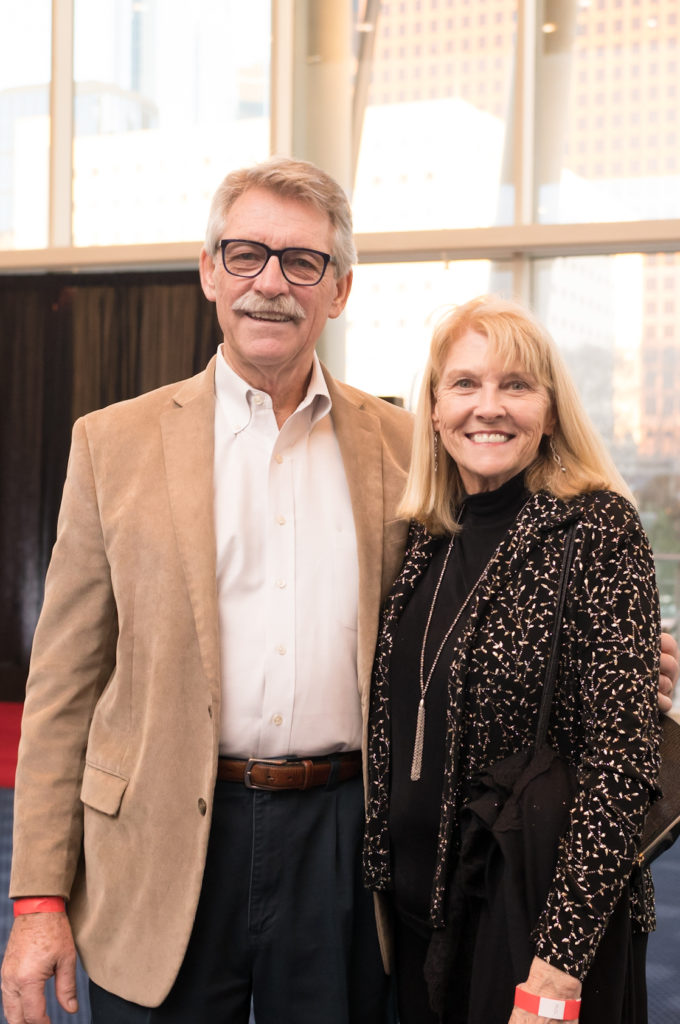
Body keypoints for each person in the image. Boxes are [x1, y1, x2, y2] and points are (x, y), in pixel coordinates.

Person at [0, 166, 677, 1024]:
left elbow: (507, 562)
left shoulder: (405, 445)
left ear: (341, 288)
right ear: (209, 270)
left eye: (302, 262)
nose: (271, 282)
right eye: (246, 255)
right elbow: (62, 689)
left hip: (348, 847)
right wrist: (36, 902)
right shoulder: (112, 445)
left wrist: (614, 657)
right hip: (160, 846)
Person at [363, 295, 670, 1024]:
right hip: (416, 920)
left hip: (529, 926)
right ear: (433, 410)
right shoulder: (426, 544)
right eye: (465, 384)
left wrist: (557, 969)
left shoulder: (597, 530)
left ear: (552, 412)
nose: (488, 407)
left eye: (516, 385)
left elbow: (623, 761)